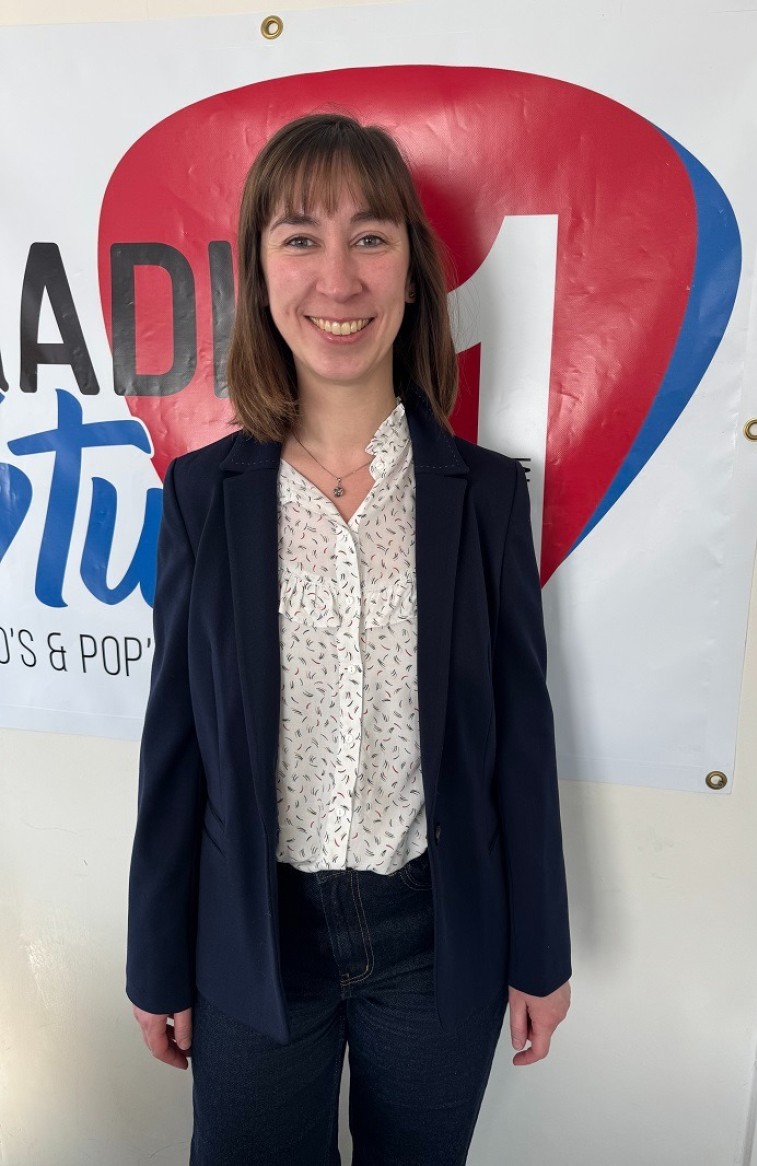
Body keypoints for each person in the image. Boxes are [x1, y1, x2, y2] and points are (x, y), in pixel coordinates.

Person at [126, 112, 572, 1165]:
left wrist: (541, 949)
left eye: (370, 237)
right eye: (301, 238)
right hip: (251, 932)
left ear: (412, 274)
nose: (338, 278)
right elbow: (176, 742)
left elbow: (518, 736)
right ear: (259, 273)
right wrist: (155, 958)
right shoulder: (203, 495)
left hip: (435, 936)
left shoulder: (482, 498)